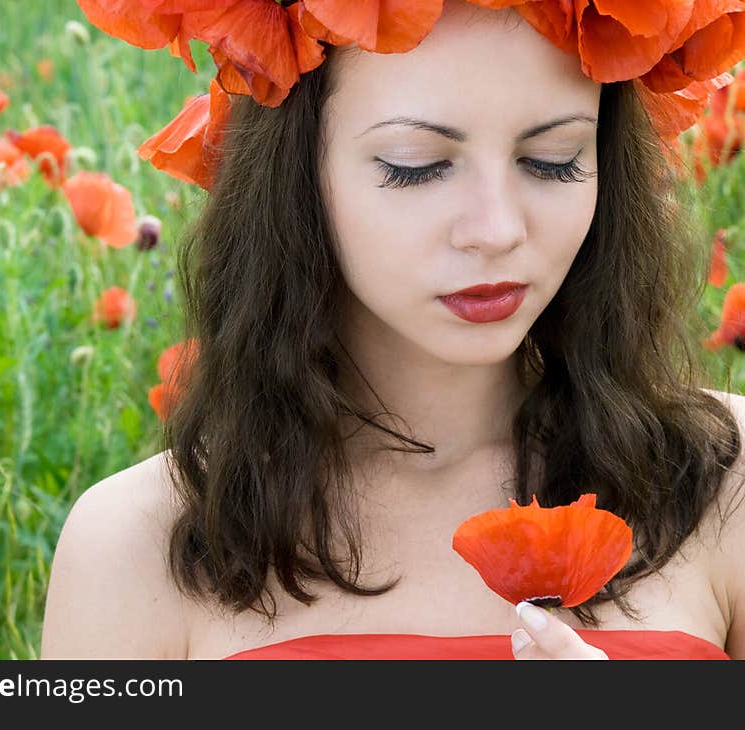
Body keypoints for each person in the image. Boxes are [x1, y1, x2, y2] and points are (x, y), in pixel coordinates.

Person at [40, 0, 745, 660]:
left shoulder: (724, 483)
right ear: (294, 174)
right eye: (419, 167)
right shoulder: (134, 545)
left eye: (552, 159)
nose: (497, 231)